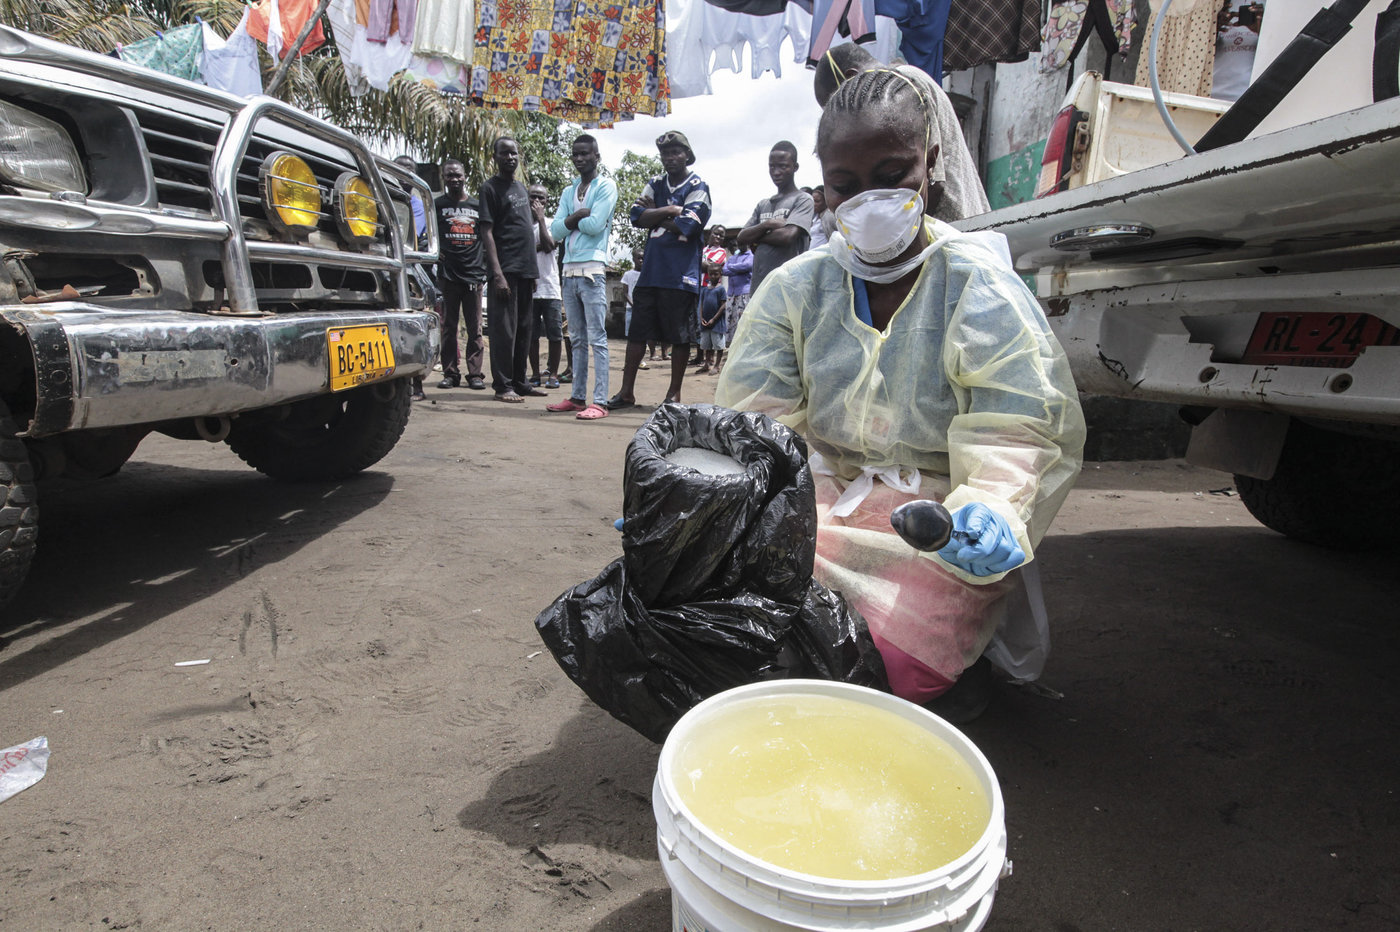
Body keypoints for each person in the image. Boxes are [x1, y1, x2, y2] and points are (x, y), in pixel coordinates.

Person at [716, 68, 1085, 722]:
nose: (870, 200)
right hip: (820, 500)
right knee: (729, 614)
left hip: (935, 519)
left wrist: (994, 507)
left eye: (892, 175)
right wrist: (710, 496)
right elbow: (758, 423)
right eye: (846, 185)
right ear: (822, 185)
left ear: (931, 163)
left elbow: (1021, 426)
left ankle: (936, 671)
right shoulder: (792, 292)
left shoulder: (977, 284)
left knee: (879, 671)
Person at [813, 43, 991, 223]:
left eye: (892, 176)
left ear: (851, 78)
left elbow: (934, 185)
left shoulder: (903, 87)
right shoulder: (913, 79)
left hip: (948, 227)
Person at [607, 131, 712, 410]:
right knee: (638, 333)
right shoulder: (655, 183)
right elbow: (635, 216)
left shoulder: (698, 185)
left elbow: (688, 226)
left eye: (676, 152)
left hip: (680, 276)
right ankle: (626, 392)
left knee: (679, 337)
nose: (670, 158)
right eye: (665, 153)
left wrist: (658, 214)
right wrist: (673, 209)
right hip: (651, 272)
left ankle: (673, 394)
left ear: (687, 155)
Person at [545, 133, 620, 421]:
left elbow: (595, 224)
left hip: (592, 271)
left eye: (585, 154)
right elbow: (555, 231)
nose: (579, 158)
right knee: (576, 337)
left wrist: (571, 221)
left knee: (597, 338)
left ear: (596, 156)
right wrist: (576, 219)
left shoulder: (606, 186)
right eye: (575, 154)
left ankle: (599, 401)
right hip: (568, 271)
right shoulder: (569, 191)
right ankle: (577, 397)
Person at [479, 136, 543, 404]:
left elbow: (526, 232)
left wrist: (534, 272)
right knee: (504, 330)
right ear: (495, 157)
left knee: (525, 330)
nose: (510, 158)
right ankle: (503, 385)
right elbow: (487, 231)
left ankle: (520, 381)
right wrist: (497, 274)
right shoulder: (489, 189)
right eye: (504, 153)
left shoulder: (520, 188)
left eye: (514, 153)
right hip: (505, 271)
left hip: (526, 271)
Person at [433, 158, 487, 391]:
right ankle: (450, 373)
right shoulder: (437, 205)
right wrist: (436, 253)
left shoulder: (477, 205)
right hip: (448, 275)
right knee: (448, 327)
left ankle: (475, 374)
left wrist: (484, 264)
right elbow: (429, 235)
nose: (454, 179)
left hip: (473, 275)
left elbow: (487, 236)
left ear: (465, 176)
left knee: (475, 328)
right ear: (443, 178)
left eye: (458, 175)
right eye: (449, 176)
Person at [736, 141, 814, 294]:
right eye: (772, 166)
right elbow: (741, 237)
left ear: (795, 167)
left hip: (789, 287)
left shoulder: (803, 199)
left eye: (783, 166)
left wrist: (756, 237)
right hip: (760, 288)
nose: (776, 172)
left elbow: (787, 236)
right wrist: (768, 224)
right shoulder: (763, 204)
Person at [527, 184, 563, 389]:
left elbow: (550, 245)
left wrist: (540, 218)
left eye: (541, 198)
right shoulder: (522, 224)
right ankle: (534, 374)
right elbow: (519, 249)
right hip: (530, 289)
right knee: (531, 336)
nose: (537, 201)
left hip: (550, 287)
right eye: (533, 197)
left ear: (547, 201)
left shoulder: (552, 223)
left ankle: (553, 373)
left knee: (554, 334)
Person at [620, 247, 649, 369]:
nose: (641, 260)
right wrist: (633, 304)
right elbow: (625, 293)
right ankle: (628, 362)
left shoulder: (647, 274)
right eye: (639, 258)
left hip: (643, 310)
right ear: (633, 259)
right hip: (631, 310)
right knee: (631, 338)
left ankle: (639, 361)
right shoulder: (628, 274)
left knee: (642, 337)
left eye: (643, 258)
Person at [695, 267, 727, 374]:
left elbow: (723, 306)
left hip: (716, 323)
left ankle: (717, 365)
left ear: (720, 274)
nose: (713, 276)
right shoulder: (705, 289)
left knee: (718, 345)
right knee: (707, 345)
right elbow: (701, 305)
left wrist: (714, 319)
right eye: (711, 274)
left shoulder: (721, 289)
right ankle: (707, 364)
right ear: (708, 274)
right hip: (705, 323)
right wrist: (701, 318)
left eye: (716, 274)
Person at [808, 184, 830, 250]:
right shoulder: (815, 218)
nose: (814, 204)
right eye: (812, 201)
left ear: (826, 201)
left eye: (817, 201)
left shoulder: (829, 217)